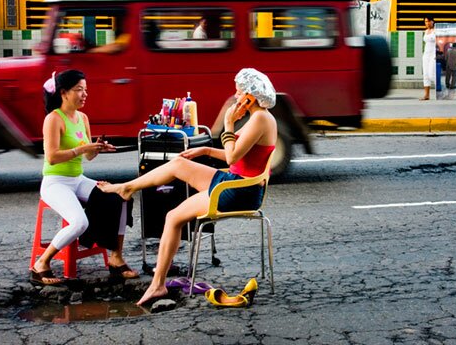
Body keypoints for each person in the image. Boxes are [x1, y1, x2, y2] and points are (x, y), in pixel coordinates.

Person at [98, 68, 277, 306]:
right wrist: (204, 150)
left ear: (250, 97)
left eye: (238, 91)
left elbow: (233, 157)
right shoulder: (259, 117)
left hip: (238, 191)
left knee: (173, 217)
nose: (235, 96)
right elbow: (234, 154)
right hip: (235, 182)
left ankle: (158, 285)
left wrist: (228, 123)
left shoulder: (261, 119)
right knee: (179, 164)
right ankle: (127, 188)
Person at [31, 70, 139, 285]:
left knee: (122, 196)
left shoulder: (83, 118)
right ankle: (41, 263)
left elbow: (88, 156)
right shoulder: (53, 119)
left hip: (77, 179)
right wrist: (82, 150)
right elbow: (52, 157)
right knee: (79, 222)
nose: (84, 94)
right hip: (56, 182)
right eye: (79, 90)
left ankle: (116, 260)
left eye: (85, 90)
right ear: (64, 93)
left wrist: (97, 148)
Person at [420, 15, 436, 100]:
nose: (427, 23)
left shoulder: (436, 31)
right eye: (425, 21)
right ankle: (426, 95)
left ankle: (440, 89)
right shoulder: (425, 31)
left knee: (431, 74)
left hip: (433, 54)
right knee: (425, 74)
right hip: (426, 54)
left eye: (428, 21)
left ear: (432, 21)